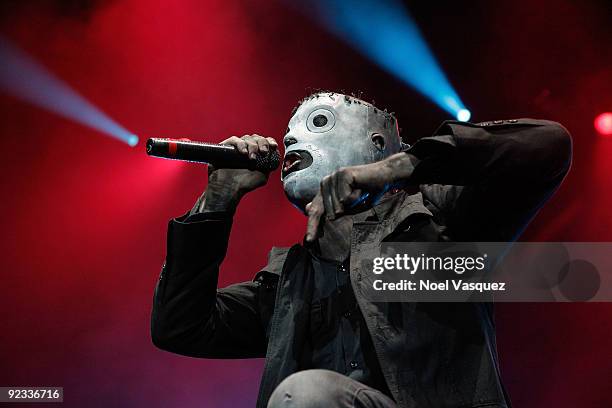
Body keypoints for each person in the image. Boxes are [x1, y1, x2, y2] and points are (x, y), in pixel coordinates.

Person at [151, 92, 572, 408]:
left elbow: (549, 144)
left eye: (317, 122)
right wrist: (218, 196)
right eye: (288, 133)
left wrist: (399, 166)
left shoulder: (439, 220)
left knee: (309, 395)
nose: (292, 138)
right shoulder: (286, 284)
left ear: (376, 143)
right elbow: (181, 325)